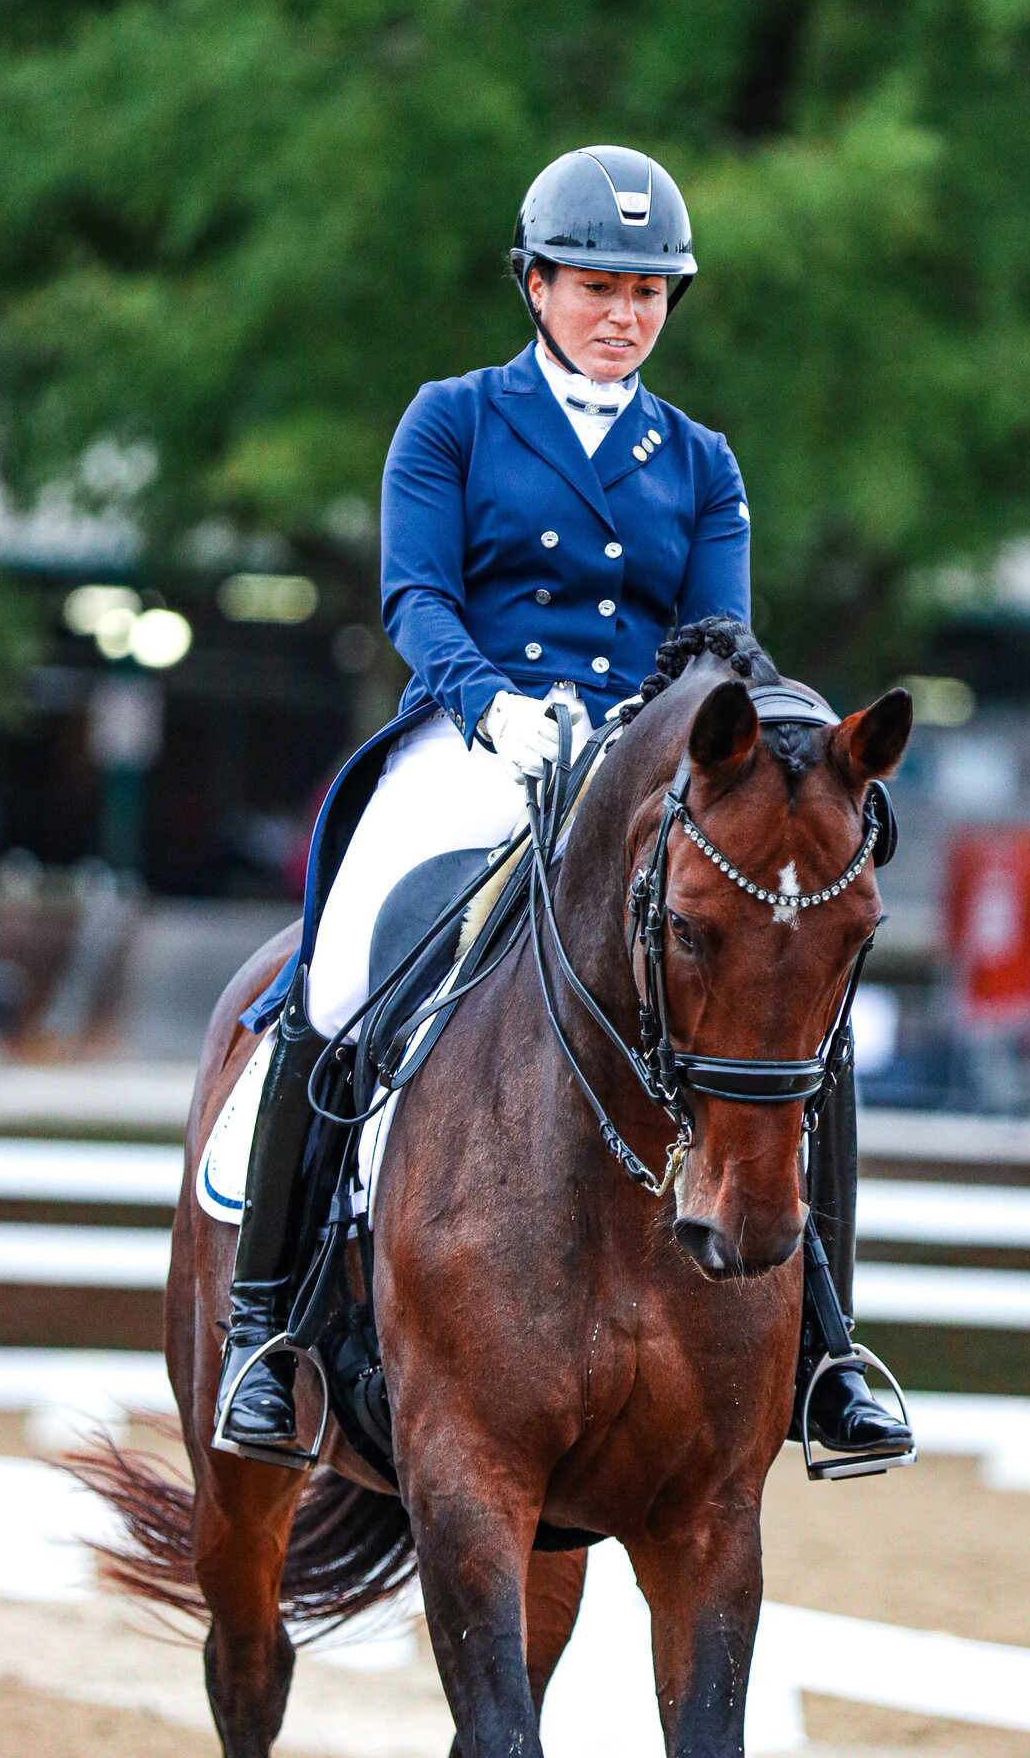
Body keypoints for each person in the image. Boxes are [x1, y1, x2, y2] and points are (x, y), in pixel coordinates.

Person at [214, 145, 912, 1476]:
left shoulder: (699, 460)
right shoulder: (455, 421)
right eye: (596, 287)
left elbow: (721, 642)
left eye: (648, 296)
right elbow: (416, 598)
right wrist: (491, 704)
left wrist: (710, 744)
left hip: (647, 768)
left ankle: (827, 1351)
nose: (622, 315)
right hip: (477, 738)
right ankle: (272, 1326)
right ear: (536, 285)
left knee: (792, 1011)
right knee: (344, 963)